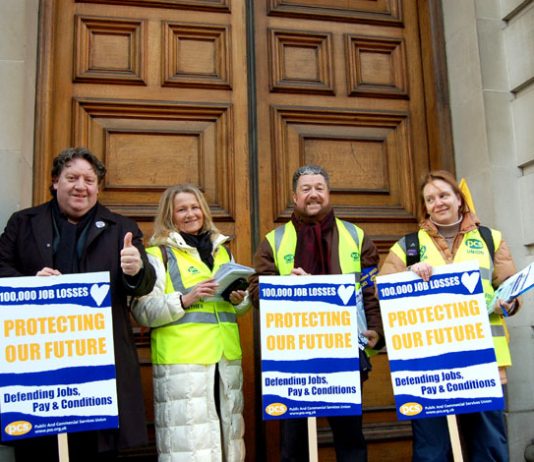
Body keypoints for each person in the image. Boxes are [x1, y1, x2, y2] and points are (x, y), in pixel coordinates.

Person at [0, 147, 156, 461]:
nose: (80, 186)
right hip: (39, 365)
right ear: (56, 181)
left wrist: (135, 269)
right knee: (40, 450)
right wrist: (30, 282)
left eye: (88, 179)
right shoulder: (23, 223)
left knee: (95, 448)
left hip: (100, 367)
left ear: (98, 187)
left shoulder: (121, 228)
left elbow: (144, 283)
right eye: (72, 178)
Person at [379, 170, 520, 462]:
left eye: (443, 195)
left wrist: (506, 302)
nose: (437, 203)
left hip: (485, 361)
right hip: (429, 364)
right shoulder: (409, 246)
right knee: (432, 448)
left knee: (489, 444)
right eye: (430, 199)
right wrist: (408, 275)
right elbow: (383, 291)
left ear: (459, 198)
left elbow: (511, 292)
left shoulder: (489, 238)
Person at [249, 165, 383, 462]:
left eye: (319, 188)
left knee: (350, 440)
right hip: (293, 355)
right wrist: (286, 286)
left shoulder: (356, 236)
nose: (313, 194)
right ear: (294, 196)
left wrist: (378, 330)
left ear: (328, 193)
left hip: (346, 350)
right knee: (294, 444)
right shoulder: (274, 241)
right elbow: (256, 291)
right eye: (306, 189)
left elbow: (371, 289)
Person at [131, 184, 250, 462]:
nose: (190, 214)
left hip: (225, 363)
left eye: (195, 207)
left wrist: (238, 299)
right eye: (182, 209)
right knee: (190, 451)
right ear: (170, 215)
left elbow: (235, 309)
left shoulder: (222, 251)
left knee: (227, 447)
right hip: (182, 366)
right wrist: (184, 299)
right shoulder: (157, 255)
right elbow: (142, 310)